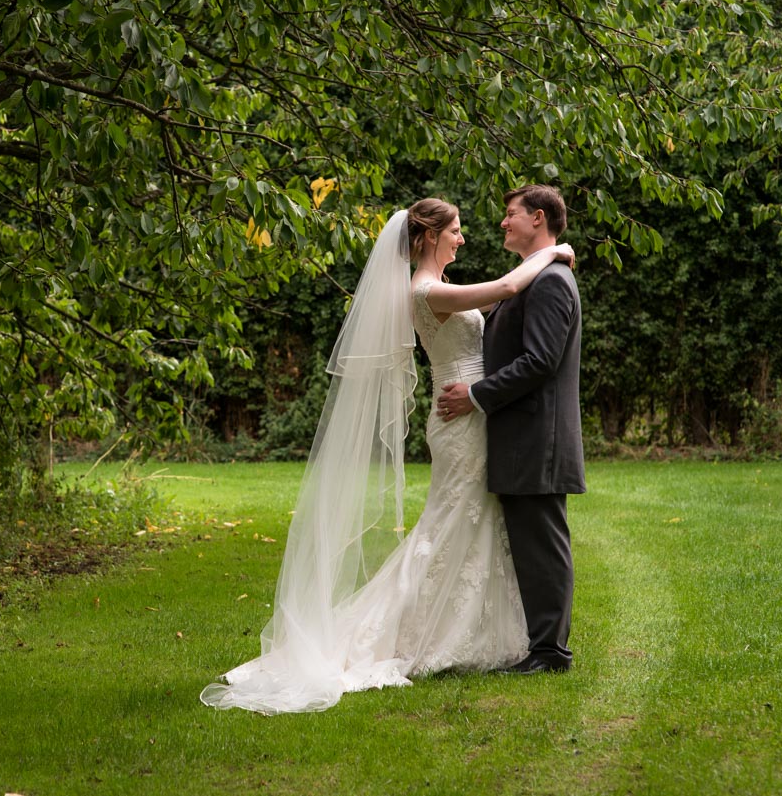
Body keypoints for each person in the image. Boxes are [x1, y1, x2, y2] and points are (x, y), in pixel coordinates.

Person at [200, 199, 574, 714]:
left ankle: (489, 630)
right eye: (456, 231)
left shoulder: (438, 290)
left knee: (468, 521)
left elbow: (495, 308)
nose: (463, 239)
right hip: (461, 418)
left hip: (470, 413)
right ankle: (423, 632)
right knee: (448, 523)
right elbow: (509, 288)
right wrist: (560, 251)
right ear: (428, 238)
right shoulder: (427, 290)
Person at [437, 184, 585, 675]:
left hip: (536, 436)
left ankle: (550, 653)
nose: (502, 223)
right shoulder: (534, 277)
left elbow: (540, 361)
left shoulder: (550, 282)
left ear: (538, 218)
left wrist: (477, 396)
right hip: (523, 435)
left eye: (510, 214)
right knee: (531, 541)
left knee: (543, 544)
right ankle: (541, 645)